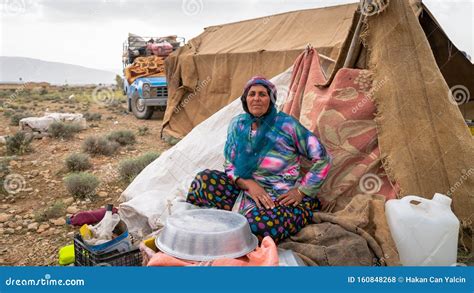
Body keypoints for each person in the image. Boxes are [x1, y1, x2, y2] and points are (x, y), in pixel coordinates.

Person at [186, 76, 331, 243]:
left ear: (271, 99)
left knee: (253, 228)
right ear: (245, 99)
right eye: (251, 94)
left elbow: (322, 158)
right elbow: (229, 163)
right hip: (245, 190)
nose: (256, 98)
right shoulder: (238, 124)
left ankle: (298, 213)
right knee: (203, 180)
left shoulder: (287, 126)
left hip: (278, 199)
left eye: (262, 94)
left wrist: (301, 191)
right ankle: (227, 219)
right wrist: (249, 184)